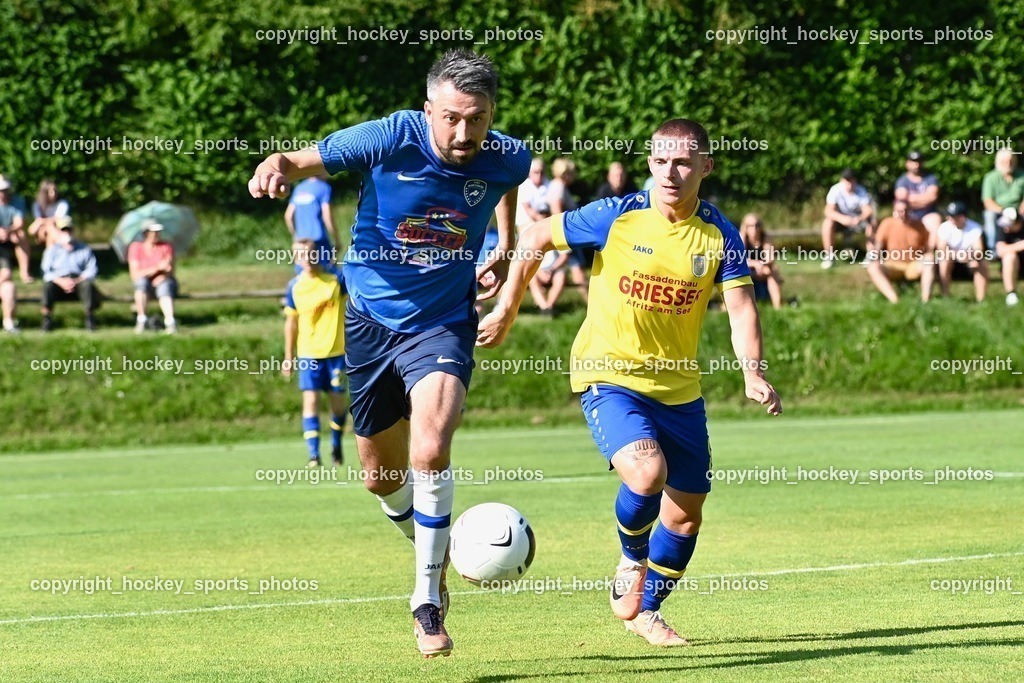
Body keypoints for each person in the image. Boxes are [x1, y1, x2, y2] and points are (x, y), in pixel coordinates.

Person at [248, 48, 530, 657]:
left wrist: (504, 245)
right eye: (452, 117)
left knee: (432, 445)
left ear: (491, 115)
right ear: (429, 109)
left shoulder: (508, 155)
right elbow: (302, 159)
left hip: (444, 321)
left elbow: (509, 185)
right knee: (381, 478)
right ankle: (435, 545)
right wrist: (277, 164)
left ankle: (426, 597)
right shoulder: (390, 137)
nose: (463, 133)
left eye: (476, 119)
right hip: (370, 322)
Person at [478, 118, 782, 647]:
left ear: (705, 167)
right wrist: (507, 308)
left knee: (686, 516)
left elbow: (740, 308)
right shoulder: (616, 215)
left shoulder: (718, 235)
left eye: (684, 161)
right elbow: (533, 237)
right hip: (608, 375)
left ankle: (647, 610)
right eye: (661, 160)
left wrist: (752, 371)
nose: (671, 172)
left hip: (680, 391)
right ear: (648, 162)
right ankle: (630, 558)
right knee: (646, 473)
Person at [282, 239, 348, 468]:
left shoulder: (335, 280)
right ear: (295, 259)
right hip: (308, 355)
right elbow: (291, 323)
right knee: (310, 402)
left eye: (310, 254)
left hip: (336, 354)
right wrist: (288, 357)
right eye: (301, 255)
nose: (306, 259)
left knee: (338, 406)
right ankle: (313, 455)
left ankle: (336, 446)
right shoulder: (295, 287)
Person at [865, 200, 932, 303]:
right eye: (900, 211)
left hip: (912, 264)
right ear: (894, 211)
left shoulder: (919, 225)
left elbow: (927, 249)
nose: (903, 214)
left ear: (910, 211)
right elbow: (878, 246)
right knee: (873, 267)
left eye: (905, 211)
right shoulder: (887, 223)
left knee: (929, 259)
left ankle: (926, 300)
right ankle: (894, 299)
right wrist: (874, 256)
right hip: (892, 264)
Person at [40, 217, 100, 331]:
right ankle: (46, 319)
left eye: (69, 230)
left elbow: (92, 269)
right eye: (64, 230)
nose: (67, 233)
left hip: (78, 281)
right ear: (59, 231)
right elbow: (45, 272)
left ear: (74, 231)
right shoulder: (52, 250)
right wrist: (61, 281)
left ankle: (90, 318)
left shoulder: (84, 249)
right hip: (58, 282)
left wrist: (77, 280)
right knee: (47, 286)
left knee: (88, 285)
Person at [546, 157, 588, 305]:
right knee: (577, 270)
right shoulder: (558, 187)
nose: (573, 176)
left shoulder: (557, 186)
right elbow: (557, 212)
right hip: (566, 233)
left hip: (565, 233)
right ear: (565, 173)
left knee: (576, 269)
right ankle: (590, 304)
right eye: (571, 173)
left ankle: (547, 305)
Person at [127, 219, 178, 334]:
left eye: (158, 231)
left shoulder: (166, 246)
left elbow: (170, 269)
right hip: (144, 283)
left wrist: (162, 275)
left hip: (163, 280)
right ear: (145, 233)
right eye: (152, 231)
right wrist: (157, 268)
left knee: (165, 287)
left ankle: (170, 322)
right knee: (141, 284)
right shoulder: (136, 247)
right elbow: (135, 274)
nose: (156, 234)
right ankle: (142, 320)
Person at [821, 168, 875, 269]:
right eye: (847, 180)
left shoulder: (861, 191)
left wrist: (859, 218)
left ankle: (871, 256)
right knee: (827, 223)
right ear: (842, 180)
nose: (849, 184)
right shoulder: (835, 190)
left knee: (871, 222)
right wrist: (842, 219)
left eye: (851, 180)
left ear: (855, 181)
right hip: (841, 222)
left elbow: (868, 210)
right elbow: (828, 211)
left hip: (857, 221)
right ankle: (829, 256)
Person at [936, 202, 987, 303]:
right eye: (949, 216)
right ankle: (945, 296)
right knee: (944, 261)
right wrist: (957, 255)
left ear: (962, 217)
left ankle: (981, 300)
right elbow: (941, 249)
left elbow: (979, 250)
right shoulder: (944, 227)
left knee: (980, 264)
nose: (949, 219)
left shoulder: (975, 228)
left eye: (952, 216)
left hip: (969, 262)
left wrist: (970, 256)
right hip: (951, 262)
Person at [284, 174, 338, 270]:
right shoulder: (324, 187)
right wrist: (336, 239)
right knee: (328, 273)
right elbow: (327, 216)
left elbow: (288, 216)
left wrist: (296, 236)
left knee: (303, 275)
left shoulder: (299, 188)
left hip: (301, 241)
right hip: (319, 240)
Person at [981, 148, 1024, 253]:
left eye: (1010, 161)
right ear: (998, 162)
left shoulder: (1022, 175)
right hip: (999, 211)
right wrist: (1004, 211)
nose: (1008, 164)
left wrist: (1021, 211)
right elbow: (988, 202)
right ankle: (993, 250)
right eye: (1005, 161)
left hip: (1019, 210)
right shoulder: (990, 178)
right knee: (989, 215)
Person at [739, 213, 783, 310]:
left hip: (763, 269)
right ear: (745, 227)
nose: (755, 228)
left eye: (757, 225)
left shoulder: (766, 238)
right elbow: (738, 260)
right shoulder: (741, 239)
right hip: (746, 270)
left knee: (773, 270)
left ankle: (778, 306)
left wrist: (762, 265)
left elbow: (770, 258)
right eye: (751, 226)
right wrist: (755, 263)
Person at [894, 151, 942, 235]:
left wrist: (911, 199)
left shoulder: (930, 178)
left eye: (919, 161)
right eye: (913, 162)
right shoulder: (902, 180)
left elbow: (932, 197)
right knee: (897, 220)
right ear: (907, 163)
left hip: (928, 214)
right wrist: (924, 199)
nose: (916, 165)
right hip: (908, 214)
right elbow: (902, 199)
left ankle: (930, 248)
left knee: (935, 221)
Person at [0, 177, 33, 283]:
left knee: (21, 235)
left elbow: (19, 223)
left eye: (5, 190)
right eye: (1, 190)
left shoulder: (18, 201)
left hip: (11, 233)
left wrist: (8, 231)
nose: (3, 193)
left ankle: (24, 273)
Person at [994, 201, 1024, 306]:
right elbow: (1000, 250)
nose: (1006, 228)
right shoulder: (1003, 228)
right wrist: (1020, 246)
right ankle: (1011, 294)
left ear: (1019, 223)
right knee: (1009, 256)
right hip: (1012, 263)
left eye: (1009, 225)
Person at [29, 179, 71, 248]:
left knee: (50, 231)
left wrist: (42, 222)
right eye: (50, 192)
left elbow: (58, 220)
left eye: (55, 191)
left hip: (58, 230)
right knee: (48, 228)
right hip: (42, 233)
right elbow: (34, 227)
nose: (53, 194)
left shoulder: (62, 204)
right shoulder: (37, 205)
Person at [515, 157, 550, 231]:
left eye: (541, 172)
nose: (539, 175)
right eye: (536, 172)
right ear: (530, 173)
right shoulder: (525, 185)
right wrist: (545, 221)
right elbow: (528, 209)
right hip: (527, 222)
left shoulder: (547, 184)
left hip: (544, 219)